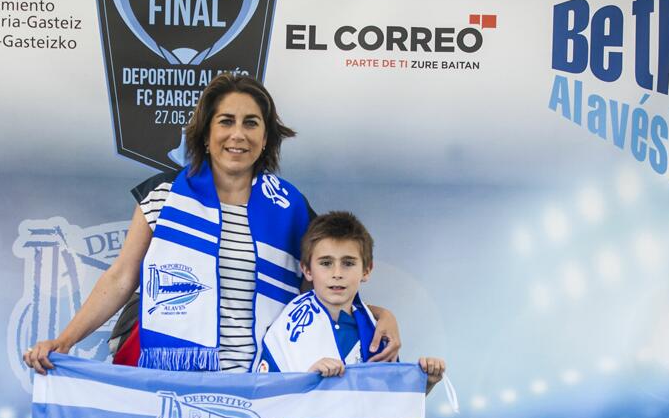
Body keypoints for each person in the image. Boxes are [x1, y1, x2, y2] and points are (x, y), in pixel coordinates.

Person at [24, 74, 401, 373]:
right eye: (226, 122)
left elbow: (323, 289)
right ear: (206, 133)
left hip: (266, 379)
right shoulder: (164, 194)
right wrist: (66, 340)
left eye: (251, 123)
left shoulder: (290, 207)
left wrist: (383, 316)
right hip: (177, 377)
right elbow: (122, 277)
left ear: (265, 137)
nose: (238, 134)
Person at [256, 211, 446, 391]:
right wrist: (309, 383)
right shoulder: (287, 328)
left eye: (348, 263)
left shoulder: (375, 332)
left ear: (366, 270)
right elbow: (265, 401)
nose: (337, 274)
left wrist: (426, 383)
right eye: (326, 263)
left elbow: (389, 407)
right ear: (307, 270)